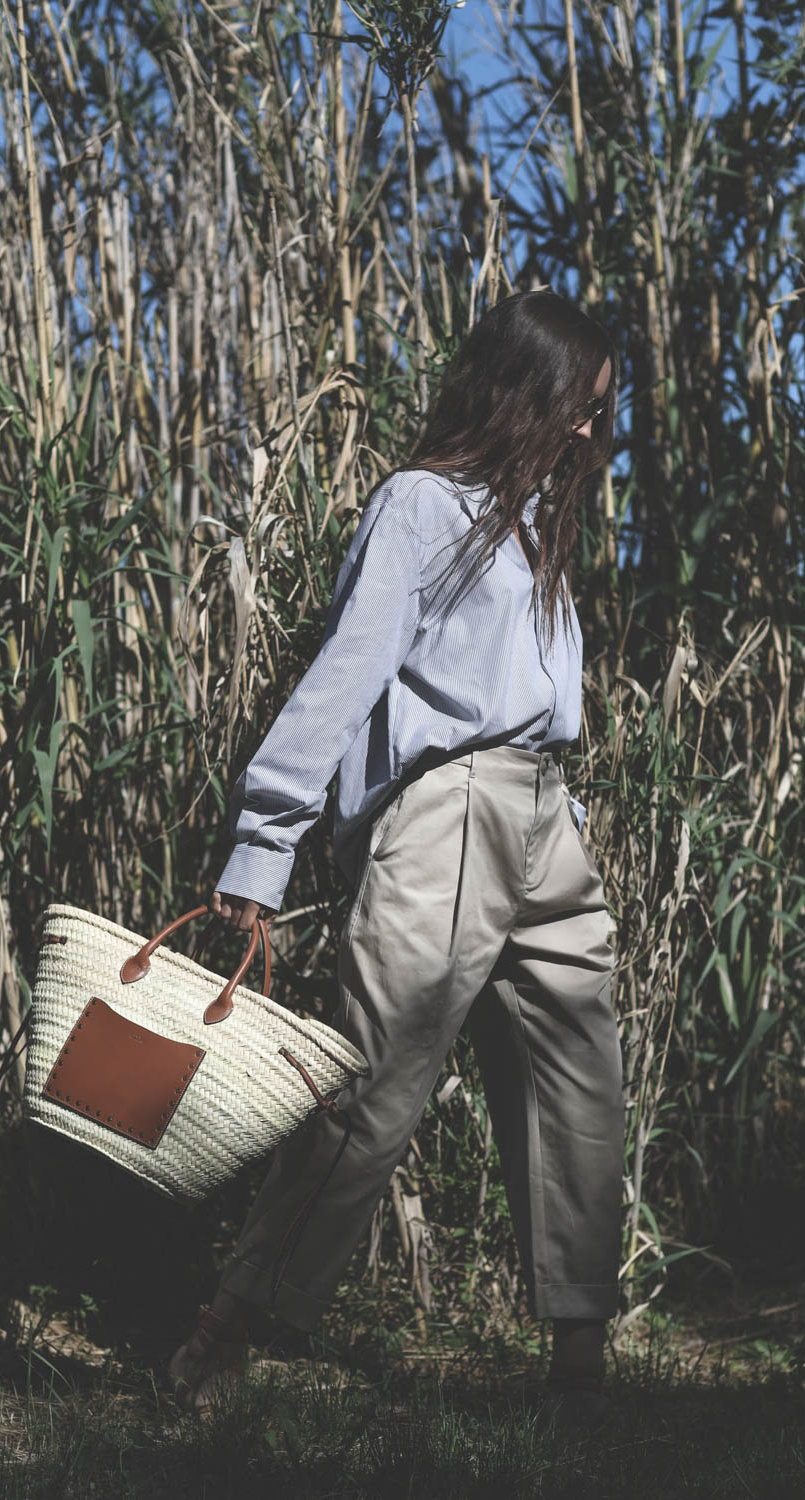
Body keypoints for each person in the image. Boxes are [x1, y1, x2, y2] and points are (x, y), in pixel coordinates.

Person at [169, 290, 624, 1432]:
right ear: (525, 392)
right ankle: (228, 1330)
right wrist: (262, 842)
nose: (587, 433)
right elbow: (350, 669)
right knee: (377, 1081)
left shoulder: (537, 527)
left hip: (542, 817)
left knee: (582, 1070)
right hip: (452, 813)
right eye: (577, 408)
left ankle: (581, 1361)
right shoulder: (423, 506)